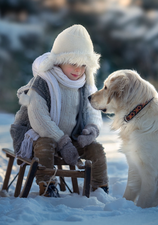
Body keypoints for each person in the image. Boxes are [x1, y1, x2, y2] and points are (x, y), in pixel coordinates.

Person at [10, 24, 108, 197]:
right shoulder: (44, 82)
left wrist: (91, 130)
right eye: (73, 63)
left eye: (83, 65)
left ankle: (100, 187)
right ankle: (47, 184)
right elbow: (40, 119)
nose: (78, 70)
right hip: (38, 135)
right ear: (59, 60)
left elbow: (92, 110)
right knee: (45, 144)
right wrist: (62, 142)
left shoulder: (85, 84)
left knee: (96, 149)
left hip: (71, 137)